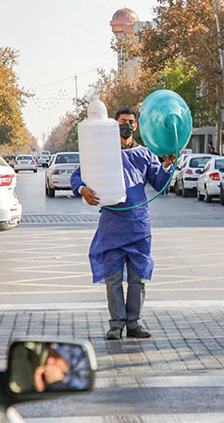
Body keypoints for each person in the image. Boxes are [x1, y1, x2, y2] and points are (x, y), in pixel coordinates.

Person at [71, 107, 176, 340]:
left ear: (136, 126)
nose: (126, 125)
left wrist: (168, 166)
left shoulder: (147, 155)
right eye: (122, 121)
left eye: (130, 121)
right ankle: (116, 325)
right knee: (114, 278)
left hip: (139, 225)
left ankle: (134, 323)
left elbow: (159, 184)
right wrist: (82, 189)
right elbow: (78, 175)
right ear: (114, 124)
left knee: (138, 278)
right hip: (112, 224)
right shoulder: (102, 152)